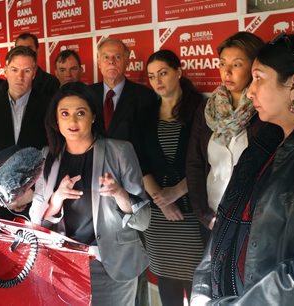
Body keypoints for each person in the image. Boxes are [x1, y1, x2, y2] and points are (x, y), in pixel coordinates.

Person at [191, 33, 294, 305]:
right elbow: (222, 229)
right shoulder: (260, 146)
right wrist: (201, 293)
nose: (250, 90)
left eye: (259, 78)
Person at [29, 82, 150, 306]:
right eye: (64, 114)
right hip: (63, 265)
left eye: (80, 113)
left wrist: (119, 193)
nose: (72, 121)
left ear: (93, 116)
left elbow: (143, 221)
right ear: (56, 121)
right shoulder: (48, 157)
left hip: (110, 266)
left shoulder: (120, 151)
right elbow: (36, 220)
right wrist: (56, 199)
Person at [90, 36, 157, 306]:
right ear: (97, 60)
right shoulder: (87, 94)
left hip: (132, 188)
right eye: (106, 57)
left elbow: (149, 145)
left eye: (117, 57)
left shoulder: (144, 97)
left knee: (131, 255)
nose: (111, 62)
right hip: (93, 190)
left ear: (128, 59)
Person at [140, 49, 205, 306]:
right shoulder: (146, 114)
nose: (157, 81)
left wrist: (177, 191)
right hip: (158, 218)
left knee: (198, 286)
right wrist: (162, 200)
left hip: (192, 214)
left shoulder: (201, 110)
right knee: (167, 287)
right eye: (152, 76)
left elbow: (210, 161)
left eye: (163, 73)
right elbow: (140, 160)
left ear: (179, 72)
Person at [186, 32, 265, 230]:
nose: (227, 71)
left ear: (255, 67)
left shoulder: (265, 110)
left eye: (237, 64)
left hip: (252, 221)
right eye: (222, 63)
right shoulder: (208, 108)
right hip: (213, 217)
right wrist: (204, 215)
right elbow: (194, 164)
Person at [0, 46, 49, 214]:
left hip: (37, 199)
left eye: (26, 71)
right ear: (5, 70)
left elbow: (52, 154)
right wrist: (0, 193)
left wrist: (30, 192)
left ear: (34, 73)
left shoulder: (48, 106)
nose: (20, 77)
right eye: (14, 69)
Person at [15, 32, 60, 98]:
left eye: (29, 48)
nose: (24, 52)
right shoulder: (7, 85)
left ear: (37, 51)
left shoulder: (51, 82)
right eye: (20, 49)